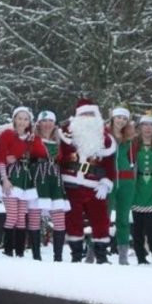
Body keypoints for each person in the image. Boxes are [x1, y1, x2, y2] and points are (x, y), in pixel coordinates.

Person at [58, 99, 116, 264]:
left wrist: (106, 182)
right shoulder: (66, 133)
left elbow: (109, 165)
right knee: (73, 220)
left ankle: (101, 256)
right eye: (84, 114)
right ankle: (76, 255)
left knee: (101, 220)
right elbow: (58, 157)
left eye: (91, 114)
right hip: (71, 184)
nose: (88, 118)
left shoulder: (105, 139)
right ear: (77, 116)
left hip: (94, 186)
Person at [28, 110, 70, 261]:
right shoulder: (32, 138)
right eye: (44, 121)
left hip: (54, 179)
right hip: (37, 177)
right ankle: (36, 256)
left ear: (54, 123)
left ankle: (58, 257)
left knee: (59, 218)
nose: (47, 124)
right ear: (38, 123)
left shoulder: (59, 140)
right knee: (34, 216)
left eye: (50, 121)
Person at [0, 107, 37, 257]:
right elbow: (0, 159)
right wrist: (4, 179)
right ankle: (8, 251)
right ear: (14, 119)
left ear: (29, 122)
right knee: (12, 216)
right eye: (19, 118)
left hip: (25, 181)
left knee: (21, 218)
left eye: (26, 119)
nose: (22, 122)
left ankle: (20, 253)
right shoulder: (6, 134)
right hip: (11, 178)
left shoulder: (31, 138)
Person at [131, 112, 152, 265]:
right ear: (140, 127)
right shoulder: (133, 145)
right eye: (145, 125)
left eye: (151, 125)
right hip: (137, 187)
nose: (148, 128)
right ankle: (141, 258)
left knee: (150, 227)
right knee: (137, 227)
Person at [108, 107, 136, 265]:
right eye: (118, 117)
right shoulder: (103, 135)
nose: (121, 121)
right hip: (107, 180)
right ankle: (94, 251)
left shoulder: (130, 137)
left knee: (123, 219)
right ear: (112, 118)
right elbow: (91, 157)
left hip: (126, 181)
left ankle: (123, 256)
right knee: (102, 217)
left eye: (124, 119)